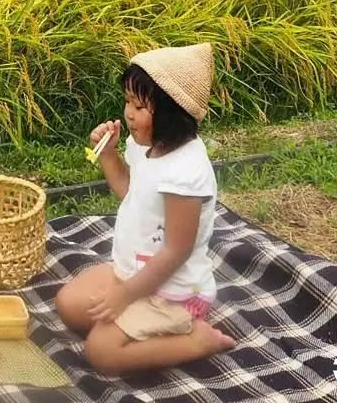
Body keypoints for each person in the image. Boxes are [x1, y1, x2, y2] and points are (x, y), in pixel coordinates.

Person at [55, 42, 235, 374]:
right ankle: (142, 327)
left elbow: (175, 252)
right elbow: (129, 191)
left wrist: (124, 297)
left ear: (170, 115)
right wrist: (108, 154)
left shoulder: (185, 173)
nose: (128, 113)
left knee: (102, 353)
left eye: (138, 106)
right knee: (68, 305)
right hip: (132, 274)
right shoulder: (146, 148)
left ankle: (197, 340)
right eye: (127, 101)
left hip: (171, 291)